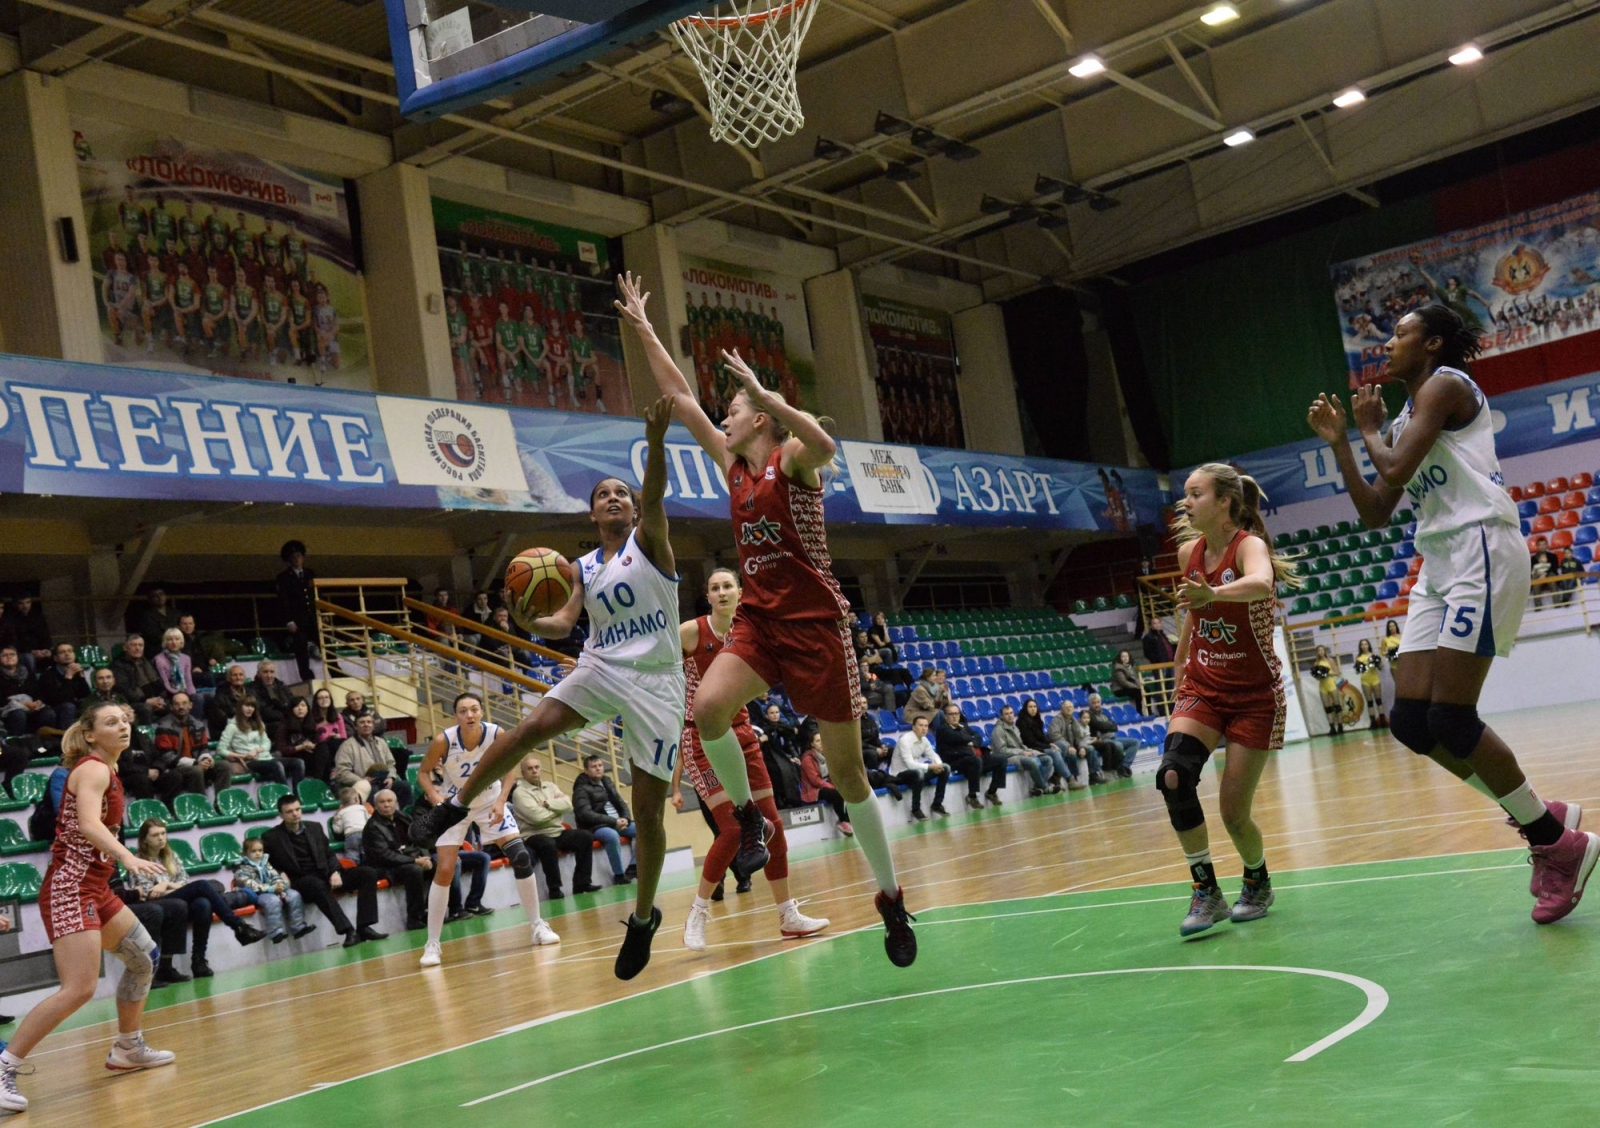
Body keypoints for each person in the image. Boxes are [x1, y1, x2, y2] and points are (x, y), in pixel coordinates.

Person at [615, 272, 914, 966]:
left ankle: (891, 897)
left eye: (736, 407)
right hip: (760, 622)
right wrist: (644, 328)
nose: (724, 415)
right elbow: (682, 397)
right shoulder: (733, 467)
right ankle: (748, 816)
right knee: (709, 708)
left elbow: (828, 445)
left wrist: (772, 393)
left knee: (850, 776)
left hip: (816, 630)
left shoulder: (794, 462)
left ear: (763, 419)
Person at [1308, 302, 1596, 924]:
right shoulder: (1412, 409)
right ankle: (1542, 818)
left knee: (1451, 715)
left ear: (1433, 343)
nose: (1387, 343)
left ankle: (1554, 844)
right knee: (1412, 721)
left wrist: (1366, 431)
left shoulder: (1445, 385)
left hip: (1481, 549)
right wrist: (1341, 446)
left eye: (1401, 334)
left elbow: (1394, 464)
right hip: (1438, 561)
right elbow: (1376, 511)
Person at [409, 394, 685, 979]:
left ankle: (642, 919)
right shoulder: (578, 566)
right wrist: (529, 620)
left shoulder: (651, 541)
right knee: (531, 726)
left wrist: (656, 441)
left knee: (648, 810)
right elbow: (562, 624)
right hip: (603, 662)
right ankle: (455, 806)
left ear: (634, 511)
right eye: (603, 494)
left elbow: (655, 493)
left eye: (622, 494)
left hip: (659, 681)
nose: (615, 498)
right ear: (591, 514)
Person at [0, 702, 175, 1114]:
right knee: (79, 988)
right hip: (70, 887)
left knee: (143, 957)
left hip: (95, 886)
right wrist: (127, 857)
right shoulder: (93, 767)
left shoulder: (109, 769)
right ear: (91, 734)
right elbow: (87, 825)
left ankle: (128, 1048)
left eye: (125, 720)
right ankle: (4, 1065)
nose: (123, 725)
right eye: (111, 721)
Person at [1160, 464, 1300, 937]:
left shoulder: (1248, 546)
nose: (1186, 503)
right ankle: (1206, 891)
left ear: (1223, 502)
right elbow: (1194, 618)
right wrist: (1182, 664)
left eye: (1195, 494)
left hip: (1254, 697)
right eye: (1185, 495)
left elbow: (1261, 584)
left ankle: (1256, 881)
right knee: (1174, 775)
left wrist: (1212, 592)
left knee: (1234, 815)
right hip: (1203, 687)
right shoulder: (1188, 553)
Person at [670, 565, 829, 949]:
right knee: (733, 827)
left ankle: (787, 915)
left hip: (742, 733)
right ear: (707, 596)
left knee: (772, 821)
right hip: (700, 736)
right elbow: (649, 655)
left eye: (728, 586)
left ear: (741, 592)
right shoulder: (692, 631)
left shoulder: (749, 633)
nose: (722, 592)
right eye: (714, 587)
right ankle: (698, 911)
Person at [414, 692, 555, 968]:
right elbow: (423, 772)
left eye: (474, 710)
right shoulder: (444, 740)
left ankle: (538, 925)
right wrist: (435, 797)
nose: (469, 715)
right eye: (463, 711)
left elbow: (510, 766)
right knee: (444, 869)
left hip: (490, 799)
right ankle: (432, 944)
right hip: (457, 802)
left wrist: (502, 801)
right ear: (456, 715)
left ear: (481, 712)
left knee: (520, 856)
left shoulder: (495, 733)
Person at [128, 818, 266, 976]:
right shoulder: (137, 862)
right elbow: (148, 893)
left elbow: (184, 882)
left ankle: (199, 961)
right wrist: (172, 887)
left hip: (177, 900)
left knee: (203, 903)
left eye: (163, 833)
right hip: (155, 905)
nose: (161, 838)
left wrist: (167, 885)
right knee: (201, 886)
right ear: (145, 839)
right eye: (155, 835)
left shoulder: (170, 856)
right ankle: (239, 926)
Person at [261, 794, 386, 947]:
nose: (295, 814)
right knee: (315, 884)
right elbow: (266, 864)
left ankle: (364, 926)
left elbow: (329, 854)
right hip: (301, 879)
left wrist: (334, 871)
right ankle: (348, 931)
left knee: (367, 873)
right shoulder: (271, 837)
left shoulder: (315, 827)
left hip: (325, 873)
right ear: (281, 815)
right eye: (289, 812)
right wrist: (280, 872)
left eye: (297, 809)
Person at [509, 755, 600, 898]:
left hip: (557, 831)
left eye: (537, 767)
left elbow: (568, 805)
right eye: (530, 768)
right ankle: (554, 888)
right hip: (533, 834)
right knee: (548, 844)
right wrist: (557, 811)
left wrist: (547, 804)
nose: (534, 771)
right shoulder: (519, 793)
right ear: (523, 773)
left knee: (585, 836)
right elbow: (537, 818)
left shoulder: (550, 786)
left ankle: (582, 883)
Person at [362, 788, 434, 932]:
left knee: (440, 866)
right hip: (385, 867)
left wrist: (427, 858)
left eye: (389, 801)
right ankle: (414, 918)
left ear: (396, 803)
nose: (386, 805)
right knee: (414, 870)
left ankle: (432, 910)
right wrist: (414, 861)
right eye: (382, 802)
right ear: (375, 806)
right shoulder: (372, 827)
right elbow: (385, 855)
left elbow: (420, 839)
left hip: (411, 858)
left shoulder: (404, 818)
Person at [231, 836, 314, 943]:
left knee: (294, 895)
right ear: (245, 853)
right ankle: (275, 933)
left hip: (272, 889)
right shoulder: (241, 868)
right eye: (253, 851)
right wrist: (270, 888)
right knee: (273, 901)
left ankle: (298, 927)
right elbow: (250, 885)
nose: (258, 853)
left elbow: (274, 875)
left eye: (260, 850)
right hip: (255, 894)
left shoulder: (265, 862)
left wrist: (280, 885)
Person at [571, 755, 638, 884]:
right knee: (612, 836)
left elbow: (620, 802)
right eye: (593, 767)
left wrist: (625, 819)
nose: (598, 769)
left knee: (643, 830)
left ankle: (633, 867)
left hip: (617, 822)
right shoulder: (581, 789)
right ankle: (619, 875)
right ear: (586, 771)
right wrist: (614, 822)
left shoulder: (607, 781)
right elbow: (585, 814)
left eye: (600, 766)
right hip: (596, 827)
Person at [152, 691, 229, 798]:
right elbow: (167, 757)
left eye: (184, 703)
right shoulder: (164, 727)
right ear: (171, 707)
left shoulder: (198, 725)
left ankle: (222, 803)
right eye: (177, 704)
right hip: (174, 769)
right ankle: (201, 807)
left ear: (190, 705)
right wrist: (196, 763)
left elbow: (203, 748)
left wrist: (205, 759)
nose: (181, 707)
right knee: (196, 770)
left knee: (224, 765)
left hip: (195, 765)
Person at [217, 696, 304, 787]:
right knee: (276, 765)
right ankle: (287, 798)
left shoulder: (259, 723)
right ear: (240, 707)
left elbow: (267, 743)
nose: (250, 709)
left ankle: (298, 796)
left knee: (298, 762)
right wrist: (243, 756)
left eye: (252, 706)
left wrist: (258, 750)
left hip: (267, 758)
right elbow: (220, 749)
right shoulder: (232, 726)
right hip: (250, 761)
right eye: (247, 705)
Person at [933, 703, 1007, 809]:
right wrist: (969, 739)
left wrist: (971, 742)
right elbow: (959, 738)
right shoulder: (943, 729)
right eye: (951, 714)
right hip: (955, 762)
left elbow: (978, 737)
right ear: (945, 716)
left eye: (956, 714)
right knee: (976, 760)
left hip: (970, 759)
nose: (954, 716)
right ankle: (972, 796)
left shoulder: (963, 726)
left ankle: (992, 792)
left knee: (1001, 759)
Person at [332, 713, 409, 804]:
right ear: (356, 727)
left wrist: (391, 777)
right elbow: (342, 772)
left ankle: (403, 816)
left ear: (373, 725)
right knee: (372, 790)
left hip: (383, 781)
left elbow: (390, 763)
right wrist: (362, 781)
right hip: (360, 785)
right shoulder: (347, 746)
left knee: (404, 786)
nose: (366, 724)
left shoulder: (381, 742)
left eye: (369, 722)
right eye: (362, 722)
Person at [888, 715, 950, 819]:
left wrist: (938, 765)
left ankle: (937, 804)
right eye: (921, 725)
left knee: (946, 768)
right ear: (913, 727)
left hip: (914, 772)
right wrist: (931, 766)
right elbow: (910, 764)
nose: (924, 728)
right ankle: (915, 809)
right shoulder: (905, 740)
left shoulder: (924, 740)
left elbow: (933, 755)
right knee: (919, 773)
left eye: (926, 726)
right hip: (899, 774)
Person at [276, 540, 316, 682]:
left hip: (313, 616)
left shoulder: (310, 573)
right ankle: (306, 676)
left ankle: (334, 669)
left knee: (325, 642)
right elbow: (284, 601)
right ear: (289, 560)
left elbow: (316, 595)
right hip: (297, 619)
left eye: (299, 555)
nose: (297, 559)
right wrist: (289, 620)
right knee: (301, 649)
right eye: (293, 556)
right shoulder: (284, 578)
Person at [991, 704, 1052, 796]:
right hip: (1008, 757)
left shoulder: (1014, 727)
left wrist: (1030, 751)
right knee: (1033, 762)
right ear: (1002, 716)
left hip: (1020, 753)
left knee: (1047, 759)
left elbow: (1021, 745)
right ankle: (1045, 788)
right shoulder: (998, 730)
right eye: (1006, 714)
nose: (1010, 715)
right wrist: (1022, 752)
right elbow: (1002, 751)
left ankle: (1037, 787)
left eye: (1011, 713)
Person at [799, 732, 855, 833]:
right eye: (817, 741)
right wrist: (832, 787)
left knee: (847, 789)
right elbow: (815, 781)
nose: (821, 743)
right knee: (836, 794)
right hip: (813, 791)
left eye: (822, 740)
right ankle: (843, 821)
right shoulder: (807, 760)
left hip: (826, 785)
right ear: (812, 744)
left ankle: (850, 819)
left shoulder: (828, 755)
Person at [1018, 698, 1074, 793]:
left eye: (1035, 706)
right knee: (1053, 752)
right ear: (1025, 708)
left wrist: (1050, 744)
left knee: (1062, 746)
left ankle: (1054, 778)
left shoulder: (1037, 720)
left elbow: (1042, 738)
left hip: (1040, 746)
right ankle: (1069, 779)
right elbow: (1030, 742)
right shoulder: (1021, 722)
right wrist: (1049, 747)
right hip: (1031, 748)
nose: (1033, 709)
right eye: (1030, 707)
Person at [110, 635, 167, 725]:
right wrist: (146, 701)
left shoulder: (146, 662)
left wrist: (160, 699)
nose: (137, 648)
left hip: (152, 698)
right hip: (132, 702)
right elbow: (124, 689)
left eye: (140, 645)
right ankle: (147, 737)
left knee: (174, 703)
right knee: (145, 709)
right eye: (134, 645)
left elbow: (158, 682)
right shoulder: (118, 665)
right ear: (125, 647)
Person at [0, 647, 54, 735]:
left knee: (48, 713)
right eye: (4, 655)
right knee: (19, 713)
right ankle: (16, 743)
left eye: (12, 654)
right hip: (8, 709)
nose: (9, 657)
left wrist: (38, 702)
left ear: (17, 657)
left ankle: (44, 742)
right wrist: (22, 704)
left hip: (31, 706)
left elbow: (38, 691)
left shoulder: (27, 672)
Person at [37, 643, 90, 729]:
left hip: (73, 706)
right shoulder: (48, 675)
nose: (67, 654)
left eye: (70, 651)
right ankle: (66, 737)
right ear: (55, 658)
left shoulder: (77, 671)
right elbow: (57, 699)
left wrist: (81, 677)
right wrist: (68, 677)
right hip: (54, 709)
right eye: (62, 652)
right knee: (68, 706)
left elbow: (85, 694)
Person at [1086, 693, 1139, 777]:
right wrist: (1108, 725)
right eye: (1094, 703)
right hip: (1103, 740)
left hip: (1114, 737)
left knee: (1135, 742)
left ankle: (1124, 766)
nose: (1096, 705)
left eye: (1098, 702)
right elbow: (1098, 725)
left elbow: (1115, 727)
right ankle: (1119, 767)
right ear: (1090, 704)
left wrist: (1106, 726)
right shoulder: (1089, 715)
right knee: (1119, 745)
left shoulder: (1104, 714)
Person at [153, 627, 196, 702]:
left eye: (177, 639)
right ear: (165, 642)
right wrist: (179, 694)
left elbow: (188, 681)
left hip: (184, 692)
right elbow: (165, 683)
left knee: (198, 699)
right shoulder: (159, 659)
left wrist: (192, 695)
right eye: (170, 639)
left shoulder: (186, 658)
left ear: (181, 642)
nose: (174, 642)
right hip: (169, 694)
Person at [250, 660, 296, 730]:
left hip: (286, 720)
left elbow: (293, 703)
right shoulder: (252, 689)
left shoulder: (282, 686)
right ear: (259, 673)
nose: (269, 675)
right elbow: (263, 712)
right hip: (267, 724)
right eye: (265, 672)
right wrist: (285, 715)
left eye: (272, 672)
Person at [1311, 645, 1344, 735]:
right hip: (1322, 686)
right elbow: (1316, 677)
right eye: (1319, 651)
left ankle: (1340, 726)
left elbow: (1337, 672)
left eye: (1322, 650)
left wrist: (1327, 673)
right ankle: (1332, 727)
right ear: (1317, 652)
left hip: (1331, 684)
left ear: (1325, 651)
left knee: (1337, 705)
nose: (1321, 652)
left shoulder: (1330, 660)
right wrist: (1319, 675)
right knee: (1327, 707)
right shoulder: (1316, 663)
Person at [329, 787, 368, 861]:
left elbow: (338, 830)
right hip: (364, 833)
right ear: (356, 799)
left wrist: (335, 821)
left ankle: (353, 870)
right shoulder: (362, 808)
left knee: (352, 855)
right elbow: (369, 821)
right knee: (366, 853)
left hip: (351, 835)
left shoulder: (341, 812)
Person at [1354, 639, 1386, 728]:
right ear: (1360, 647)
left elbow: (1380, 667)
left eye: (1366, 644)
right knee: (1369, 702)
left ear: (1369, 645)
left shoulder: (1373, 655)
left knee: (1378, 700)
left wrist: (1377, 663)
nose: (1364, 646)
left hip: (1375, 679)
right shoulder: (1358, 657)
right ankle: (1373, 722)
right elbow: (1357, 671)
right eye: (1362, 644)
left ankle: (1382, 720)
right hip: (1365, 680)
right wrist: (1359, 667)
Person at [1529, 535, 1559, 610]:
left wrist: (1544, 574)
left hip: (1550, 574)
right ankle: (1538, 608)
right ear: (1537, 546)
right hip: (1538, 576)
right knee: (1535, 584)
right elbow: (1532, 570)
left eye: (1544, 544)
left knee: (1552, 580)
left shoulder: (1553, 556)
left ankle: (1557, 604)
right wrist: (1540, 575)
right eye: (1540, 545)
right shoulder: (1533, 558)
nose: (1542, 546)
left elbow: (1554, 568)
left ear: (1547, 545)